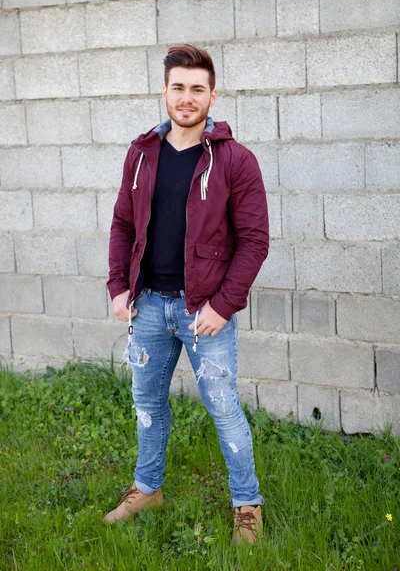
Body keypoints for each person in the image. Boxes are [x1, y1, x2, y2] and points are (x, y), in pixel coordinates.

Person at [105, 44, 269, 544]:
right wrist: (118, 286)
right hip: (149, 305)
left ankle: (247, 504)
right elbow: (122, 223)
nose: (187, 97)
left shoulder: (235, 160)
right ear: (165, 92)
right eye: (178, 87)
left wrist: (223, 306)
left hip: (205, 311)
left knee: (222, 406)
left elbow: (255, 241)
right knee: (147, 401)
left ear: (212, 96)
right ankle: (147, 487)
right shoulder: (141, 155)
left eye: (198, 89)